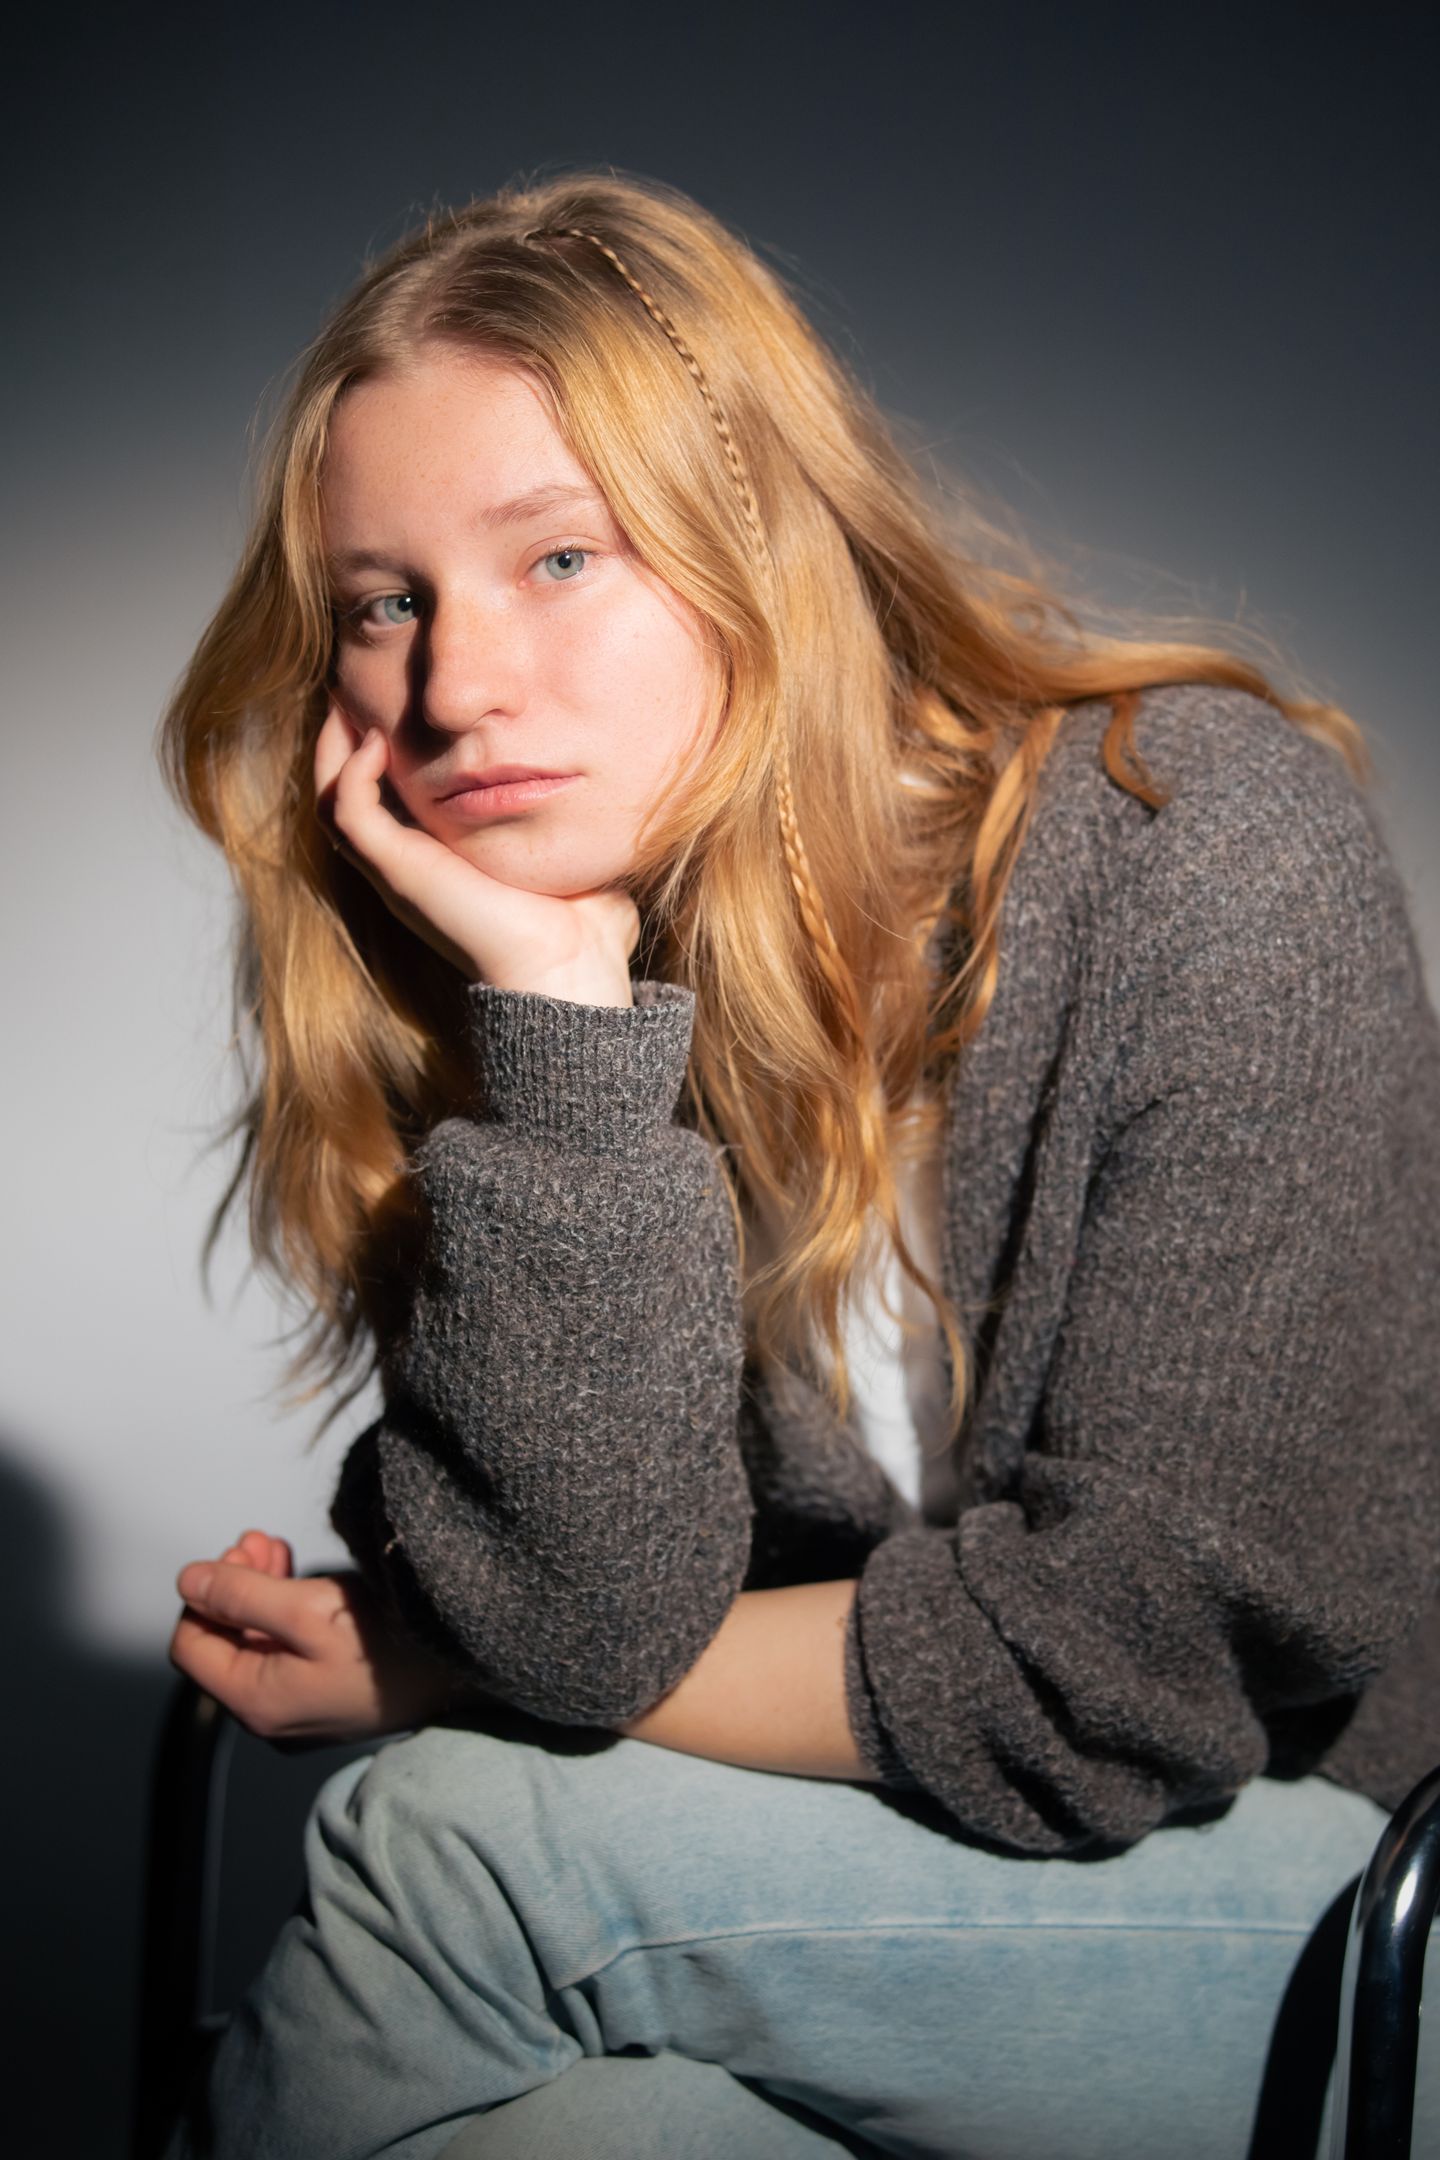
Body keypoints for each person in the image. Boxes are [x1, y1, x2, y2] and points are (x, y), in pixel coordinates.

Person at [159, 169, 1440, 2160]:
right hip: (897, 1889)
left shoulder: (1201, 845)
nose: (453, 687)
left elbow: (1140, 1657)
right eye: (385, 603)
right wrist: (564, 1030)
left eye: (559, 557)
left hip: (1335, 1900)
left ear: (763, 532)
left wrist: (444, 1675)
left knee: (446, 1845)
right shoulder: (562, 975)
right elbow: (573, 1609)